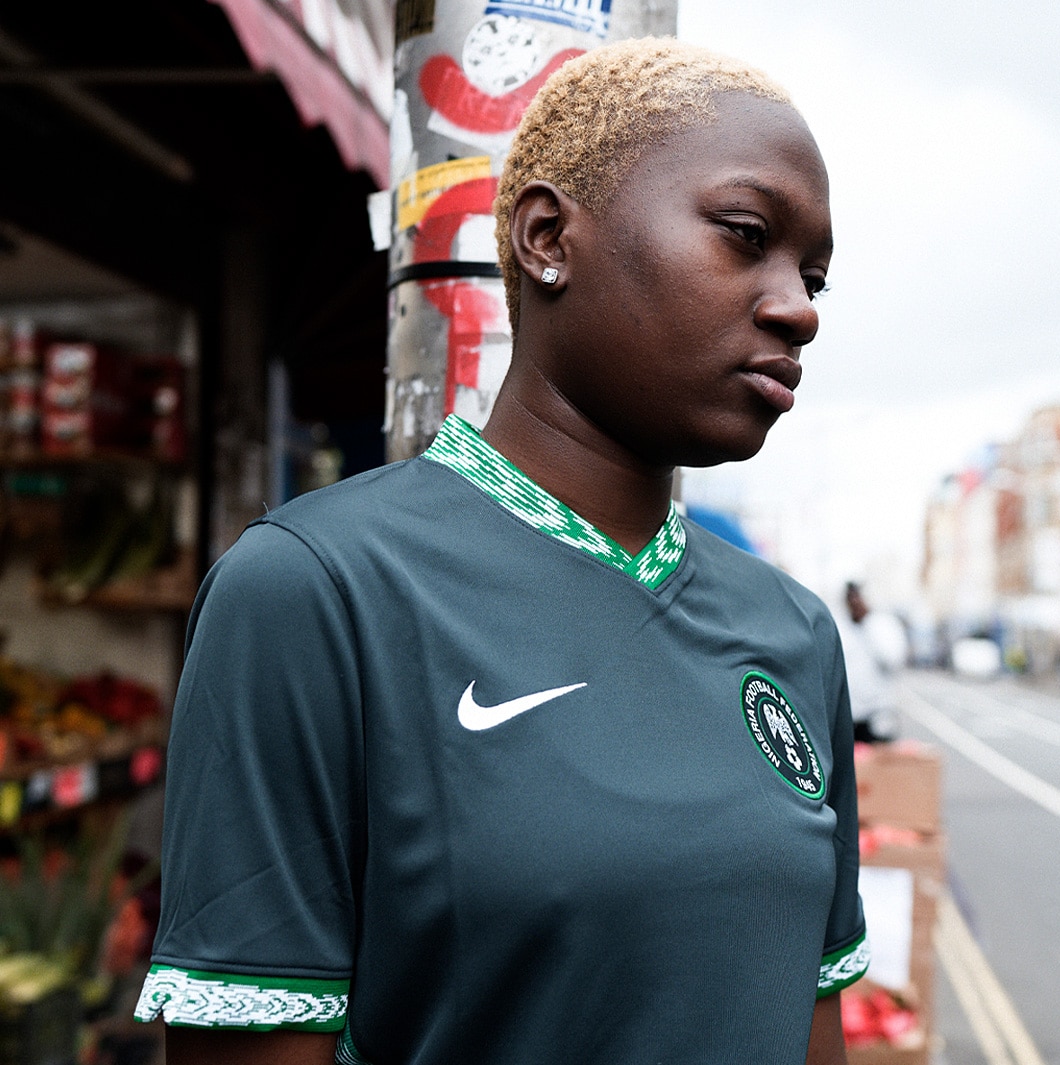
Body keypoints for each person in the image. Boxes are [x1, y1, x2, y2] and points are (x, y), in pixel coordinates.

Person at [135, 37, 867, 1065]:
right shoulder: (315, 592)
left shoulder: (792, 634)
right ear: (545, 238)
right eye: (747, 236)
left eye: (816, 277)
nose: (796, 307)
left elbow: (809, 1021)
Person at [838, 581, 908, 743]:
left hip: (877, 716)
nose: (854, 602)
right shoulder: (841, 626)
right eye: (850, 597)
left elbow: (892, 660)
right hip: (848, 718)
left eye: (858, 596)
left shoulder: (884, 625)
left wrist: (867, 621)